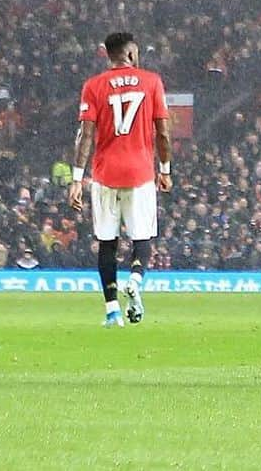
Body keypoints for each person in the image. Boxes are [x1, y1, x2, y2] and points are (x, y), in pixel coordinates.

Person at [69, 32, 171, 327]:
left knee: (107, 243)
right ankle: (136, 281)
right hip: (139, 174)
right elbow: (163, 133)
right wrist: (165, 169)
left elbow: (85, 135)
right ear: (128, 53)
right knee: (142, 238)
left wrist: (77, 179)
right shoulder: (152, 81)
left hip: (104, 174)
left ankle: (112, 311)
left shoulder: (93, 86)